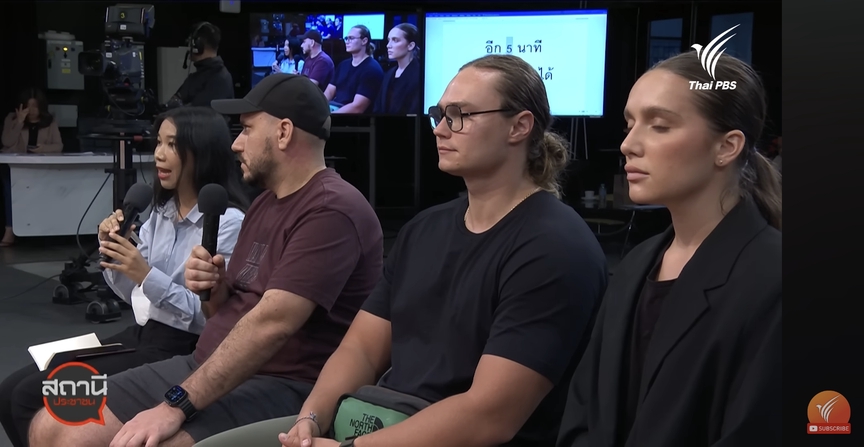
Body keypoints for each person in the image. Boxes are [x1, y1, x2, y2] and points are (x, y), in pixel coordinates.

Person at [196, 54, 608, 447]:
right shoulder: (423, 230)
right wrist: (311, 419)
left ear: (519, 126)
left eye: (459, 115)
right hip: (378, 421)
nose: (440, 129)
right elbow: (360, 349)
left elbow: (489, 416)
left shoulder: (555, 247)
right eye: (439, 114)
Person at [26, 73, 384, 447]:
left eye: (246, 130)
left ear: (283, 133)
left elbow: (271, 324)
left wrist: (176, 404)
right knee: (53, 421)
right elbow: (223, 313)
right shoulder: (265, 203)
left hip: (279, 382)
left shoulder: (330, 209)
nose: (236, 144)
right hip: (205, 364)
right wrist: (214, 289)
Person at [557, 51, 782, 447]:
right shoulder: (636, 266)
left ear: (727, 147)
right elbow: (582, 413)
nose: (628, 144)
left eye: (659, 126)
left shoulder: (773, 278)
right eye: (629, 125)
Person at [0, 106, 249, 447]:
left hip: (183, 348)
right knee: (8, 392)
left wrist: (146, 274)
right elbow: (133, 295)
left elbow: (210, 318)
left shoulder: (227, 223)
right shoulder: (162, 213)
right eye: (158, 142)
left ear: (201, 151)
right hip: (143, 334)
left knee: (32, 395)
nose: (159, 154)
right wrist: (114, 254)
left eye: (172, 144)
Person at [0, 87, 64, 246]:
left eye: (35, 106)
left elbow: (58, 146)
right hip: (14, 165)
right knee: (10, 185)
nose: (31, 110)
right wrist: (19, 122)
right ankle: (10, 230)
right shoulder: (12, 118)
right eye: (28, 106)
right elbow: (7, 142)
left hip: (39, 166)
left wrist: (43, 149)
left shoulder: (49, 121)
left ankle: (43, 231)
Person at [169, 22, 235, 109]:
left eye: (190, 43)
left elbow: (199, 112)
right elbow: (175, 102)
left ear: (197, 45)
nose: (189, 47)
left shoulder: (220, 78)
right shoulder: (194, 77)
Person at [324, 25, 384, 114]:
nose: (347, 42)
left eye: (351, 38)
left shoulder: (372, 69)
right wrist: (319, 107)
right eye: (346, 38)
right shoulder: (343, 64)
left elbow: (357, 107)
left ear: (364, 41)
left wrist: (329, 116)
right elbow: (329, 91)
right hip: (334, 108)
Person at [372, 23, 422, 115]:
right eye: (389, 40)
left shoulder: (419, 75)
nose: (388, 45)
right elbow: (378, 107)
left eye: (395, 40)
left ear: (410, 45)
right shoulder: (389, 74)